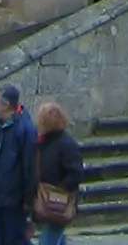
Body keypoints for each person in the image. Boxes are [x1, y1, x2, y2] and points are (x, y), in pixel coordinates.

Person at [0, 85, 36, 245]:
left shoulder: (24, 129)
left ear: (5, 105)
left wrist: (28, 199)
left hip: (12, 200)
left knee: (15, 240)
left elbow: (30, 166)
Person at [32, 99, 83, 245]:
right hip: (46, 198)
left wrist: (59, 190)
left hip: (58, 199)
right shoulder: (42, 144)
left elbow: (75, 174)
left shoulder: (65, 144)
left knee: (49, 238)